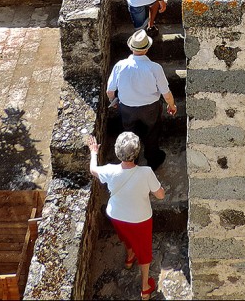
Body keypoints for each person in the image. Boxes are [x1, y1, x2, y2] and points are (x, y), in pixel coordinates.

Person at [87, 131, 164, 299]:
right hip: (140, 218)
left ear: (117, 152)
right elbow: (160, 195)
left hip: (117, 215)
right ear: (137, 152)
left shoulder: (109, 170)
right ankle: (145, 287)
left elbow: (93, 169)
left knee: (126, 237)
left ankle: (129, 257)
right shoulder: (146, 172)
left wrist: (94, 152)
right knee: (144, 251)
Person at [107, 29, 176, 172]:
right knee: (151, 132)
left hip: (126, 107)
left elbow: (110, 91)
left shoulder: (120, 66)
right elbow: (166, 92)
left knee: (130, 134)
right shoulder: (155, 68)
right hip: (150, 108)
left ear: (131, 47)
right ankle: (153, 159)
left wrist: (114, 102)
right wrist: (172, 105)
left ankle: (132, 162)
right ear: (147, 49)